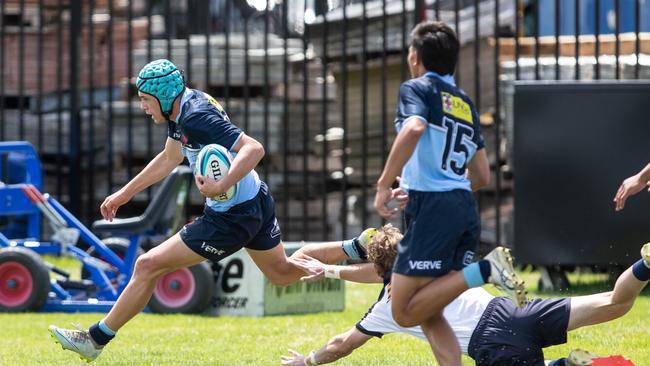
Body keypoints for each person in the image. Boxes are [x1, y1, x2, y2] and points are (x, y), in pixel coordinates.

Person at [48, 59, 377, 362]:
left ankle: (94, 339)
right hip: (254, 199)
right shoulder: (184, 107)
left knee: (147, 265)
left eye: (145, 100)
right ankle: (358, 246)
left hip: (229, 216)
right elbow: (169, 158)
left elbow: (254, 148)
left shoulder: (195, 116)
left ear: (163, 97)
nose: (143, 107)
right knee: (282, 274)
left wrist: (221, 185)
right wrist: (124, 193)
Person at [372, 21, 525, 365]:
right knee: (430, 309)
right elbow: (482, 174)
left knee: (402, 310)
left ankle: (485, 271)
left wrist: (384, 184)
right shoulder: (464, 102)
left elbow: (414, 128)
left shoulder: (416, 88)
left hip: (434, 210)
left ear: (415, 56)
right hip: (461, 207)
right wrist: (429, 187)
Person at [283, 224, 645, 366]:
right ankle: (645, 265)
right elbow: (377, 272)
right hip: (513, 308)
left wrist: (308, 361)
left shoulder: (388, 309)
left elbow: (341, 344)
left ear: (381, 270)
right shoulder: (434, 263)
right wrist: (331, 271)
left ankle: (569, 365)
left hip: (494, 342)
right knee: (614, 302)